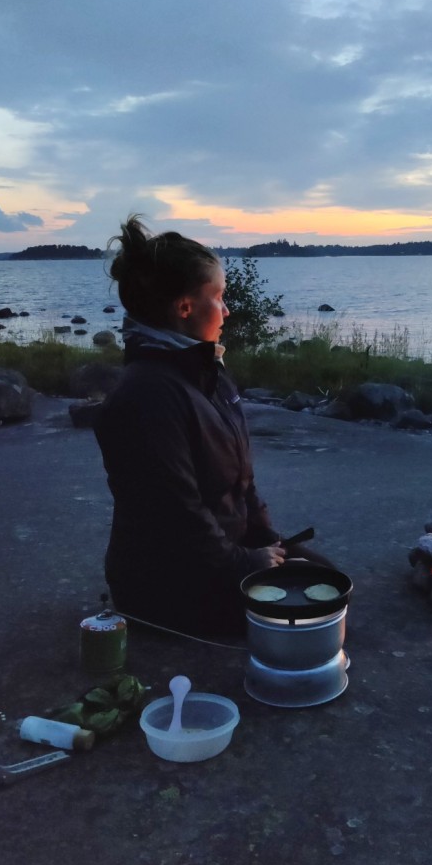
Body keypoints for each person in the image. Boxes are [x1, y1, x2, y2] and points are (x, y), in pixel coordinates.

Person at [95, 215, 326, 635]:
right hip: (167, 582)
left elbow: (241, 478)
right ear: (185, 308)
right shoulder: (145, 396)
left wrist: (266, 538)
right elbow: (174, 512)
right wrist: (244, 563)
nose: (227, 309)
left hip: (223, 552)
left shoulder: (206, 371)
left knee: (325, 580)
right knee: (306, 616)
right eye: (218, 297)